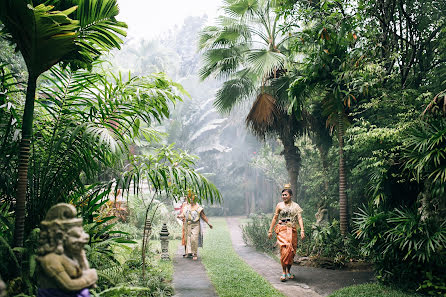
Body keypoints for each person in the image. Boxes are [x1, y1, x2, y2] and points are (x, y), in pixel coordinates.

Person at [268, 184, 305, 282]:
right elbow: (275, 218)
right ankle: (283, 272)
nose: (284, 196)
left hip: (292, 230)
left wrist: (302, 230)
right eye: (282, 195)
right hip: (282, 230)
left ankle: (289, 271)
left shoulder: (296, 206)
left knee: (291, 252)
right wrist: (270, 230)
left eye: (286, 195)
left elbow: (299, 218)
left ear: (291, 195)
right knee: (284, 251)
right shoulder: (279, 205)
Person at [179, 191, 213, 260]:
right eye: (189, 198)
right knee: (188, 239)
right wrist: (179, 216)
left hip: (195, 225)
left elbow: (203, 216)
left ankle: (195, 253)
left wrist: (209, 223)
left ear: (195, 199)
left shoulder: (198, 207)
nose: (190, 200)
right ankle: (188, 253)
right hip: (187, 224)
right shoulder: (186, 207)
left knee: (194, 239)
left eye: (192, 198)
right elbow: (183, 214)